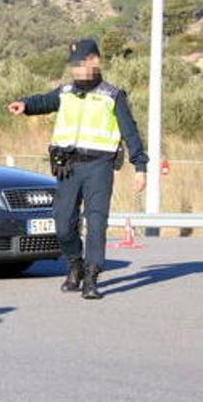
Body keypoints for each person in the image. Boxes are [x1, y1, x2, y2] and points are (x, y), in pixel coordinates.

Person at [8, 39, 148, 300]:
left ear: (95, 61)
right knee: (62, 224)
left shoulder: (112, 96)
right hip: (68, 167)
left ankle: (92, 277)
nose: (77, 70)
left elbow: (130, 132)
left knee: (96, 223)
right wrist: (25, 105)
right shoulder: (66, 92)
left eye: (82, 64)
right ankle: (75, 263)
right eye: (74, 66)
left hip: (99, 167)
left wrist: (140, 166)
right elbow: (44, 101)